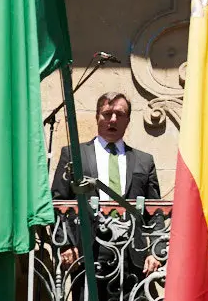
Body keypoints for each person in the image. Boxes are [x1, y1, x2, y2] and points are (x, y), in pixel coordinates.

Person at [51, 91, 162, 275]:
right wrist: (66, 244)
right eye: (107, 113)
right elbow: (59, 202)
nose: (113, 119)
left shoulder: (144, 161)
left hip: (133, 255)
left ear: (128, 120)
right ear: (97, 117)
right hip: (87, 252)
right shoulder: (74, 155)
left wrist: (156, 251)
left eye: (119, 114)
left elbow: (155, 210)